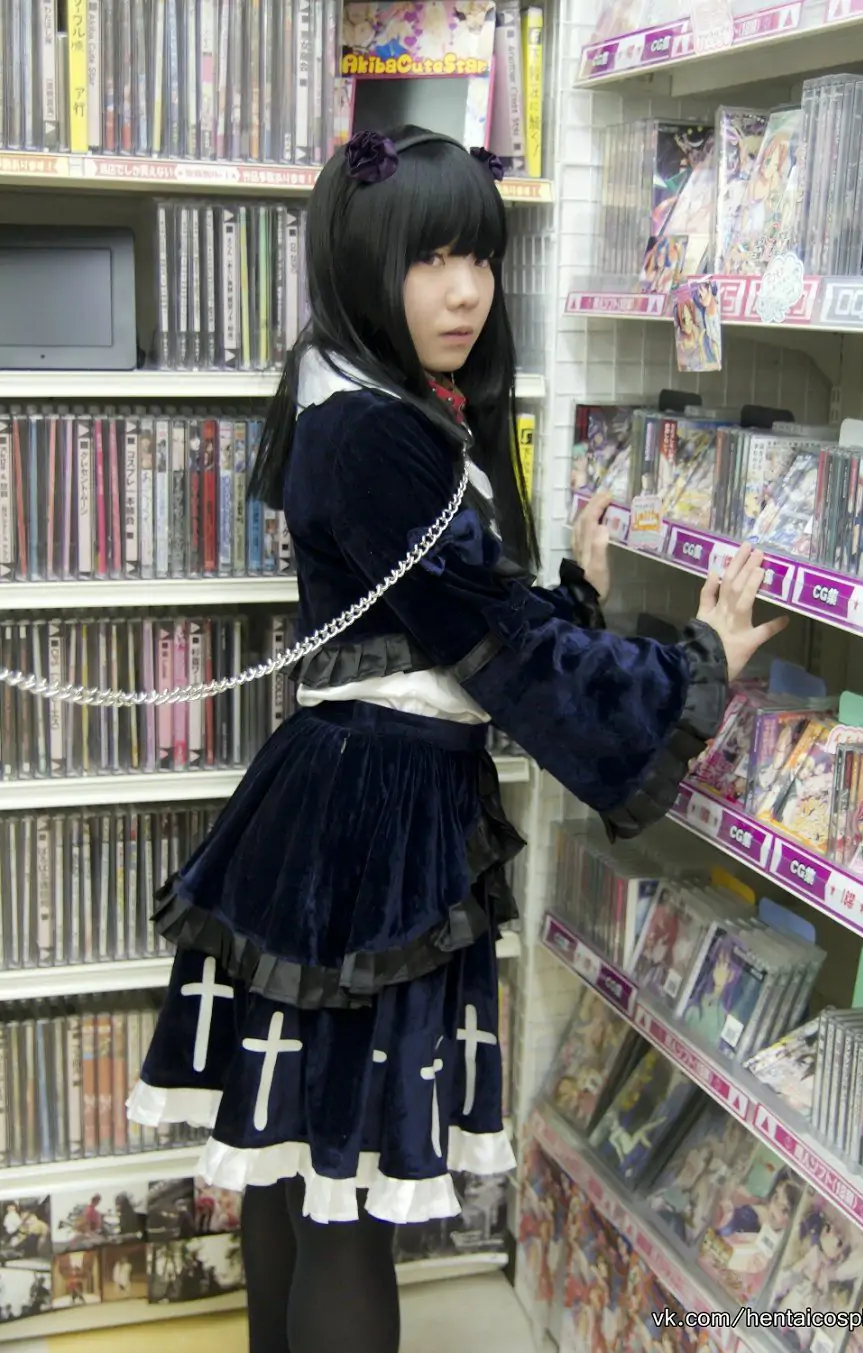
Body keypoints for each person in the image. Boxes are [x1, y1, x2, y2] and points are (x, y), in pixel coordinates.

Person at [127, 124, 786, 1353]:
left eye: (477, 256)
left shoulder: (353, 395)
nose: (465, 290)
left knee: (293, 1159)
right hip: (373, 818)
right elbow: (498, 650)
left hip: (339, 796)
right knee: (342, 1191)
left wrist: (570, 596)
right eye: (429, 259)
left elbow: (449, 620)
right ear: (362, 264)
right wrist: (690, 666)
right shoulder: (374, 429)